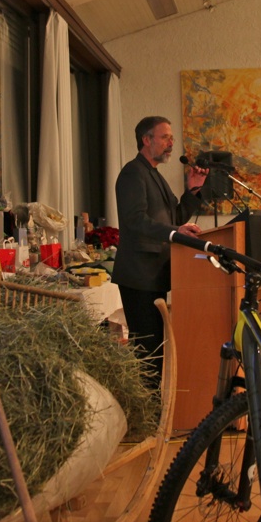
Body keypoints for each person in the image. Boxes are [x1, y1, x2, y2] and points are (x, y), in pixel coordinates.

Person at [111, 116, 206, 384]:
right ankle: (146, 407)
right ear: (146, 139)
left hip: (154, 275)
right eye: (165, 137)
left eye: (171, 138)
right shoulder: (133, 173)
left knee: (155, 350)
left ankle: (153, 404)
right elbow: (135, 220)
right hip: (139, 276)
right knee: (147, 353)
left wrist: (193, 191)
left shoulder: (153, 174)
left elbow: (175, 217)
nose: (171, 143)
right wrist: (175, 232)